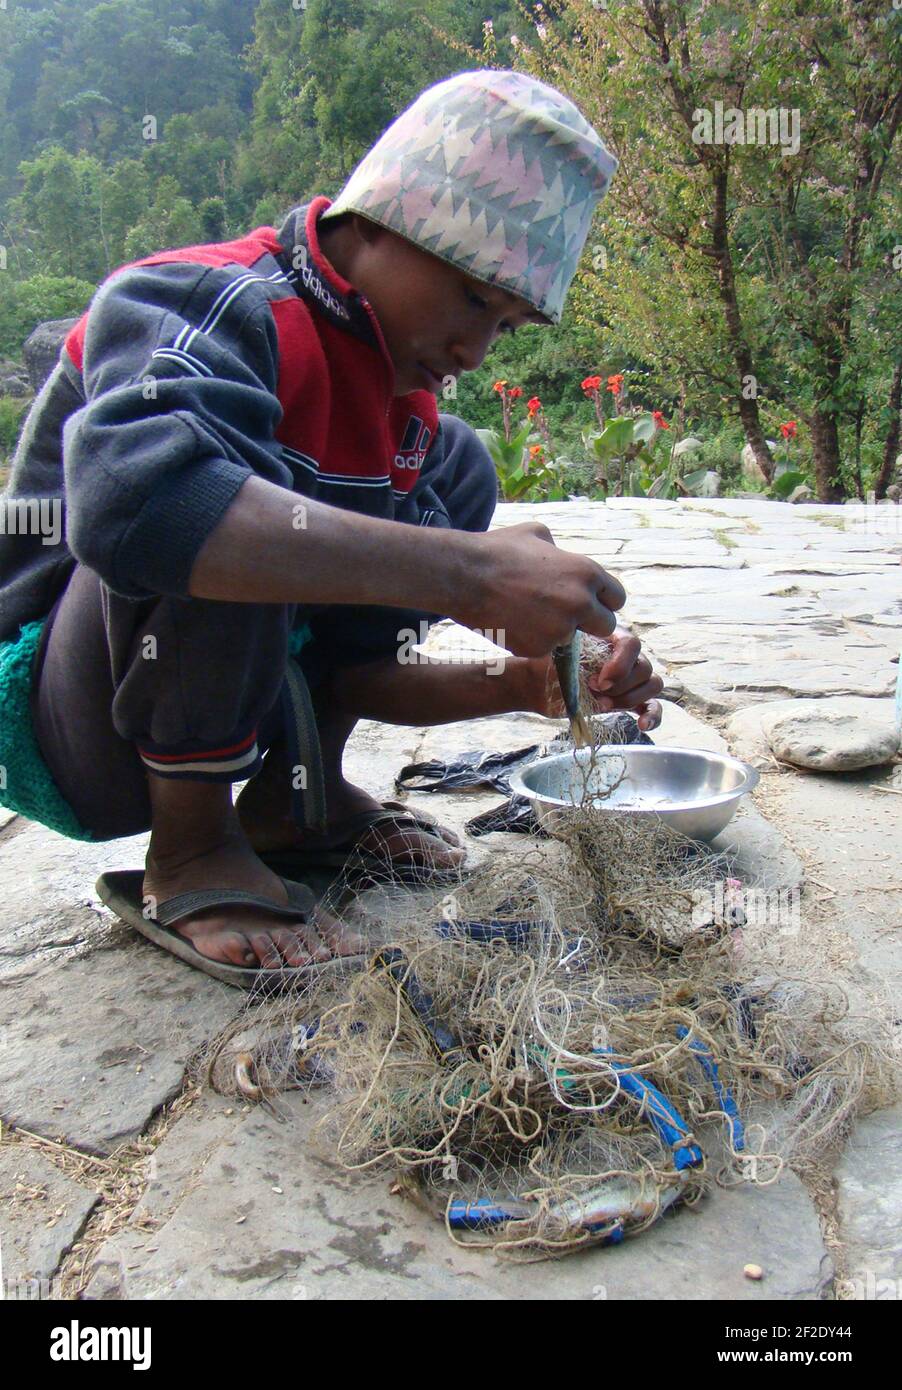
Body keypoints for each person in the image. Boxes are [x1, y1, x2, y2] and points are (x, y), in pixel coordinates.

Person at [0, 69, 663, 983]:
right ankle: (191, 849)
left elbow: (351, 667)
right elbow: (143, 510)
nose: (474, 350)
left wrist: (523, 684)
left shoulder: (408, 416)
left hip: (202, 696)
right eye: (474, 299)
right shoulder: (207, 302)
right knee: (228, 492)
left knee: (455, 463)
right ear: (379, 221)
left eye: (505, 327)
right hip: (60, 721)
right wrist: (465, 575)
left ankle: (293, 800)